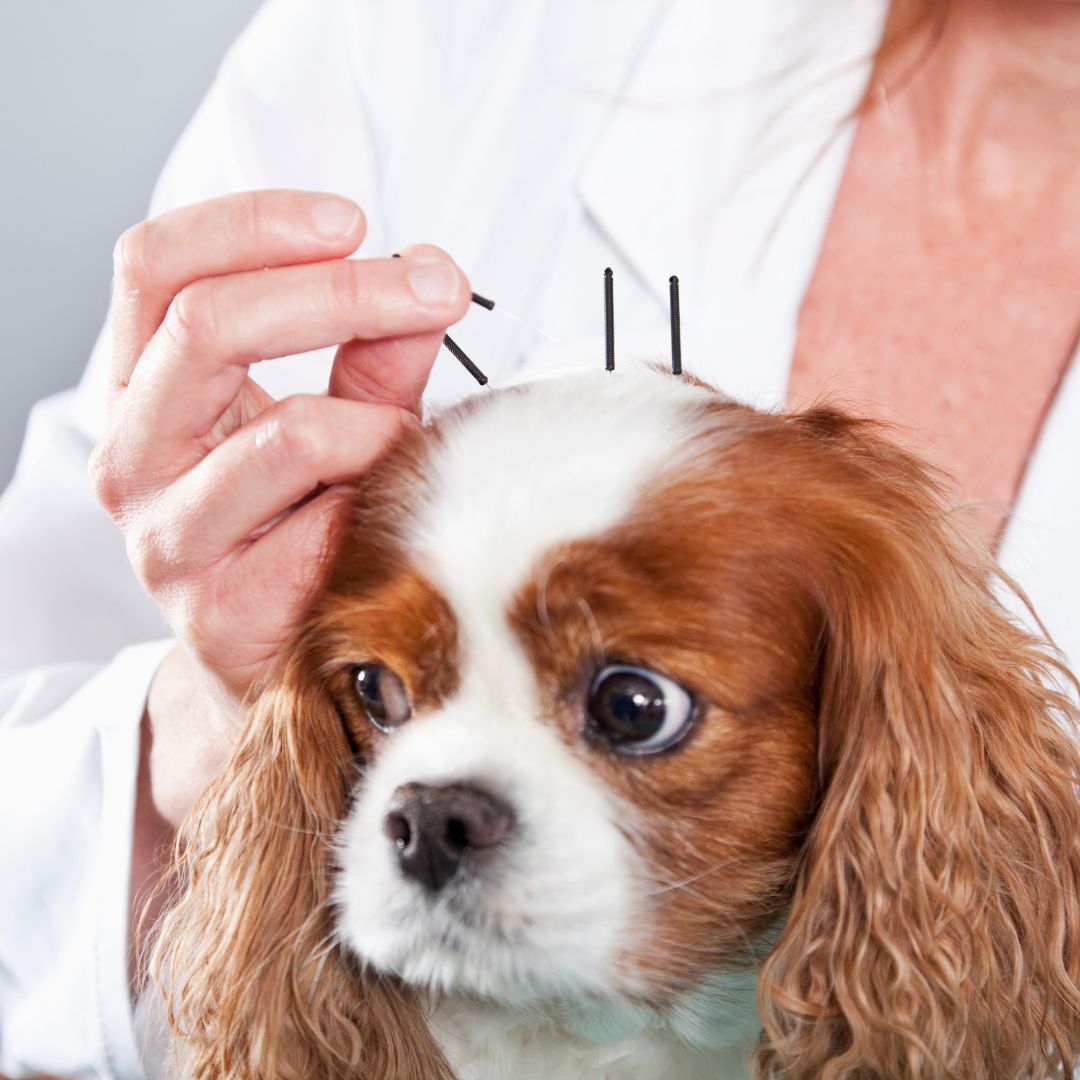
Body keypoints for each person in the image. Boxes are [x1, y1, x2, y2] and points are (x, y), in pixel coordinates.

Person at [1, 0, 1078, 1075]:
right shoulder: (436, 38)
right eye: (379, 693)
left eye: (631, 709)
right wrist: (217, 727)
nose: (440, 813)